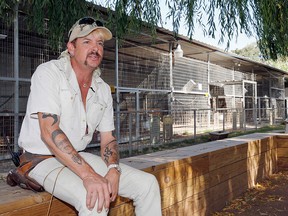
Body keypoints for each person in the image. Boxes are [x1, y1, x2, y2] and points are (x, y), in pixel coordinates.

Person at [18, 17, 162, 215]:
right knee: (95, 200)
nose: (95, 48)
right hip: (41, 159)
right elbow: (48, 130)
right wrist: (88, 176)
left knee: (148, 184)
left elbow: (108, 138)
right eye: (87, 42)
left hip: (78, 155)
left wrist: (113, 168)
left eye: (100, 43)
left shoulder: (102, 88)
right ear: (71, 47)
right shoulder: (49, 72)